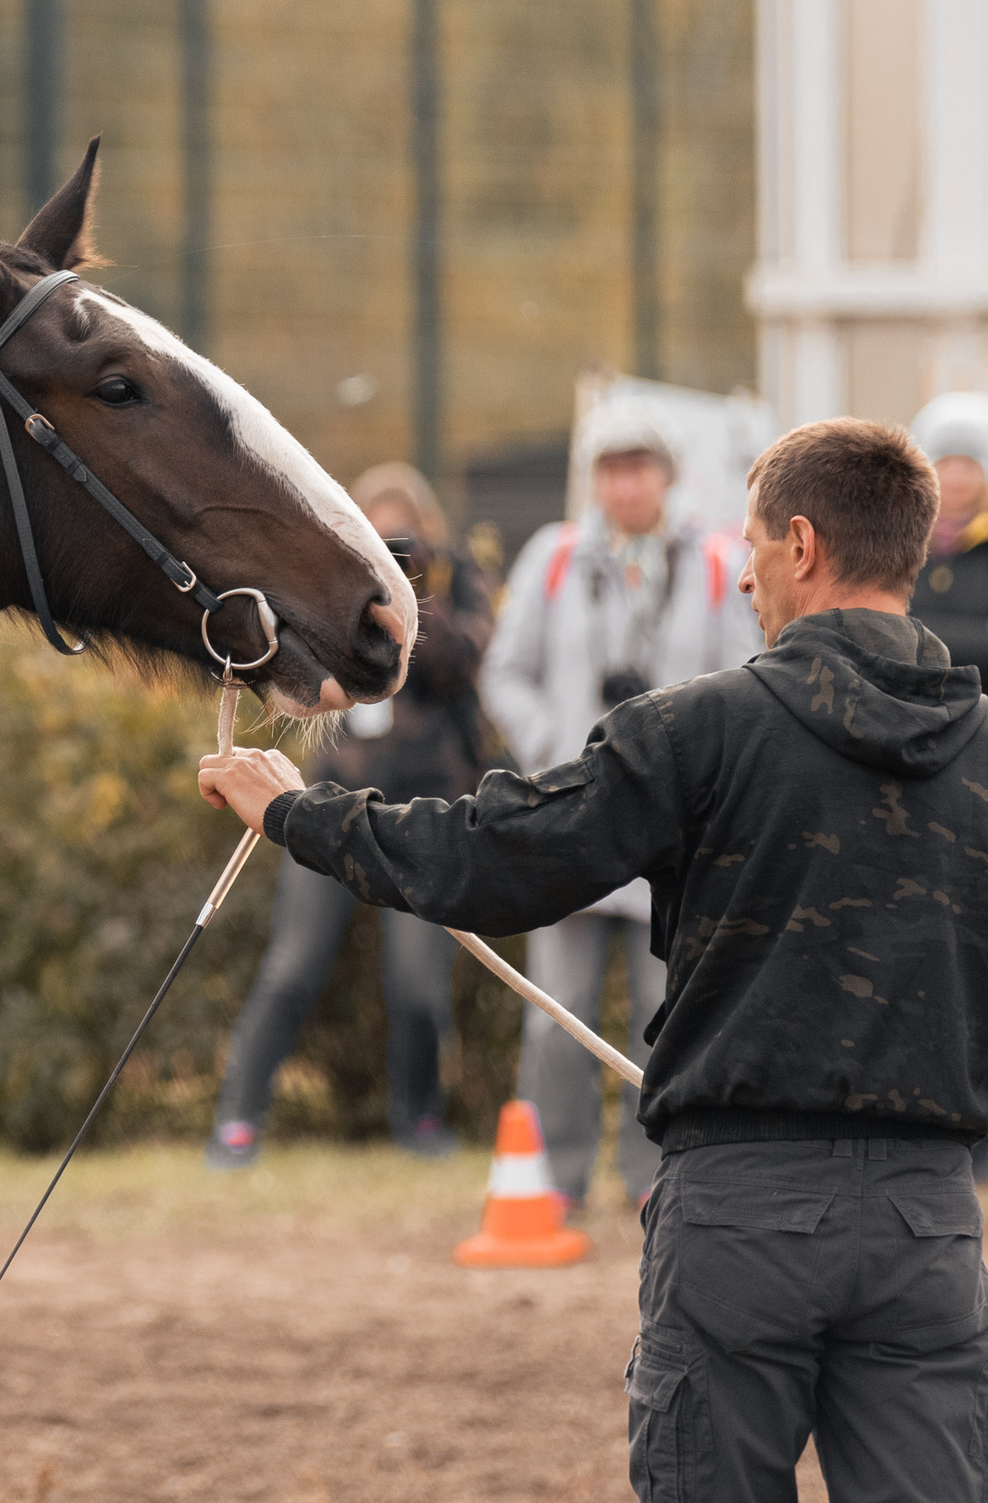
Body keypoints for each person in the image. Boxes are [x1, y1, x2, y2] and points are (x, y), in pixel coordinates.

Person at [200, 418, 988, 1503]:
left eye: (754, 545)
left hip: (739, 1217)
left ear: (801, 545)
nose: (746, 578)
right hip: (929, 1229)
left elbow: (498, 853)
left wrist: (298, 811)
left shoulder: (699, 729)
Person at [478, 402, 757, 1210]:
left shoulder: (712, 561)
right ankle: (555, 1179)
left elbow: (746, 678)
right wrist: (549, 747)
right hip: (573, 814)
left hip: (672, 830)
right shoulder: (555, 557)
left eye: (639, 466)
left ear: (666, 474)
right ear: (594, 478)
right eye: (611, 468)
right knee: (555, 1017)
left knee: (662, 1017)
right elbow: (506, 669)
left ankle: (653, 1182)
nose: (625, 482)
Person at [205, 464, 497, 1167]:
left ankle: (420, 1124)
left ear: (427, 530)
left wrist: (410, 591)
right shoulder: (327, 580)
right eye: (377, 529)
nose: (392, 542)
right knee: (293, 963)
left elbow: (467, 659)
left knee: (419, 981)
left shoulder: (454, 579)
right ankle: (236, 1122)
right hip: (333, 802)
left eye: (404, 529)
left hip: (424, 806)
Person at [908, 391, 988, 673]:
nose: (956, 477)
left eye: (969, 463)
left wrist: (912, 637)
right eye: (945, 462)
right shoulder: (897, 542)